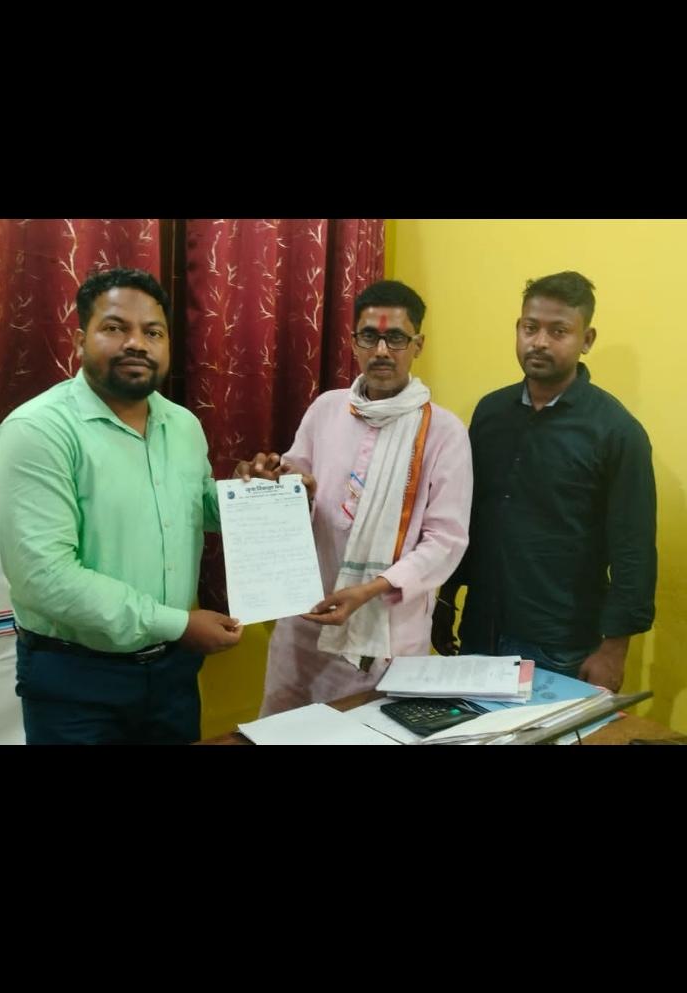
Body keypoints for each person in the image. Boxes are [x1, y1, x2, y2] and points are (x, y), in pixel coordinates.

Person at [0, 267, 267, 746]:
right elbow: (45, 577)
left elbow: (194, 509)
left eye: (153, 332)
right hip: (75, 680)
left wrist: (260, 495)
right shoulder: (36, 433)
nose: (137, 343)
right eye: (115, 327)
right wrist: (179, 625)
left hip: (172, 675)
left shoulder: (182, 425)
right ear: (80, 340)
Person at [242, 280, 474, 715]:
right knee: (285, 732)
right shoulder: (326, 409)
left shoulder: (444, 433)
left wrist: (368, 590)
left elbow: (446, 541)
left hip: (385, 631)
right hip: (306, 620)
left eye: (396, 338)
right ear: (353, 342)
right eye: (370, 336)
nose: (382, 350)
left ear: (418, 345)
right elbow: (296, 487)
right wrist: (278, 483)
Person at [431, 271, 657, 693]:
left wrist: (613, 651)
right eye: (530, 328)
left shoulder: (616, 432)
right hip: (481, 628)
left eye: (559, 331)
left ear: (587, 339)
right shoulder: (490, 413)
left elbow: (634, 552)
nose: (539, 342)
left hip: (560, 643)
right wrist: (447, 595)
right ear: (518, 328)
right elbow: (469, 516)